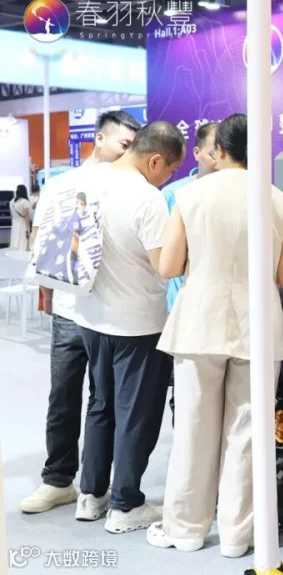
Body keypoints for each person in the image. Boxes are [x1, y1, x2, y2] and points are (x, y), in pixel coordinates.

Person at [146, 113, 283, 558]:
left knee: (193, 428)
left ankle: (185, 529)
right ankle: (237, 536)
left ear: (218, 150)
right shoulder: (278, 203)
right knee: (248, 432)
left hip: (199, 321)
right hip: (258, 326)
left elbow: (168, 266)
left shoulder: (190, 196)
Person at [19, 110, 141, 515]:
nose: (128, 152)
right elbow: (41, 241)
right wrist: (47, 292)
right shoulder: (63, 184)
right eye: (124, 144)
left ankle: (96, 487)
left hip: (114, 312)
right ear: (100, 139)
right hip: (70, 311)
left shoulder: (132, 187)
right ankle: (58, 480)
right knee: (64, 396)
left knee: (104, 401)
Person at [74, 121, 185, 533]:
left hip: (90, 316)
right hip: (137, 323)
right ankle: (125, 504)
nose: (168, 177)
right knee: (137, 414)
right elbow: (165, 266)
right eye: (170, 169)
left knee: (101, 405)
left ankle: (91, 495)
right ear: (155, 160)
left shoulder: (90, 181)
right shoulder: (147, 198)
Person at [160, 121, 218, 425]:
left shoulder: (241, 192)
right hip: (182, 307)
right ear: (196, 153)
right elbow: (164, 257)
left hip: (222, 308)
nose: (220, 158)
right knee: (185, 392)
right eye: (213, 151)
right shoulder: (174, 195)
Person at [9, 184, 31, 251]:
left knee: (15, 243)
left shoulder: (11, 202)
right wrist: (28, 229)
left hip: (14, 225)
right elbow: (27, 217)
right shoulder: (25, 202)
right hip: (23, 225)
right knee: (22, 243)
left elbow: (11, 216)